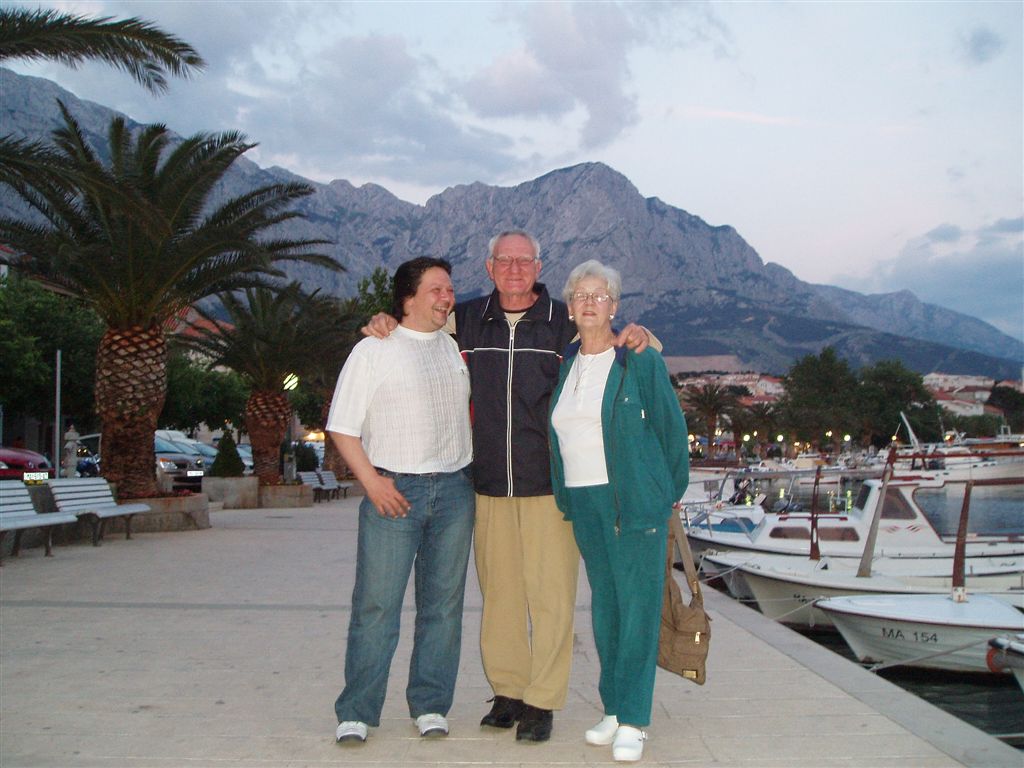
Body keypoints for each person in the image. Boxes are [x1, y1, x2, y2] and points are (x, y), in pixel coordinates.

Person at [362, 230, 653, 742]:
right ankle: (509, 691)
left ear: (539, 266)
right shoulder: (466, 319)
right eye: (505, 260)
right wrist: (383, 320)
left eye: (524, 260)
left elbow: (610, 338)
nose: (515, 269)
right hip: (488, 483)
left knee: (551, 598)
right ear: (489, 267)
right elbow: (416, 324)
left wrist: (642, 335)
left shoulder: (564, 320)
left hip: (549, 486)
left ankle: (542, 700)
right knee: (500, 597)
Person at [326, 257, 475, 745]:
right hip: (394, 492)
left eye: (449, 289)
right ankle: (357, 710)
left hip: (454, 491)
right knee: (376, 607)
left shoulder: (453, 346)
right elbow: (342, 427)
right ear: (407, 298)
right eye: (436, 289)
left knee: (443, 609)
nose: (447, 297)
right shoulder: (374, 348)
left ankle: (430, 704)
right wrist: (372, 483)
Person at [548, 259, 689, 762]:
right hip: (585, 502)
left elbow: (672, 430)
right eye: (581, 295)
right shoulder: (566, 365)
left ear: (614, 306)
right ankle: (612, 707)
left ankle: (633, 718)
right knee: (606, 609)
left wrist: (666, 491)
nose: (590, 302)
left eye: (600, 295)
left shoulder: (638, 360)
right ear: (570, 308)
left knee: (638, 612)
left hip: (633, 502)